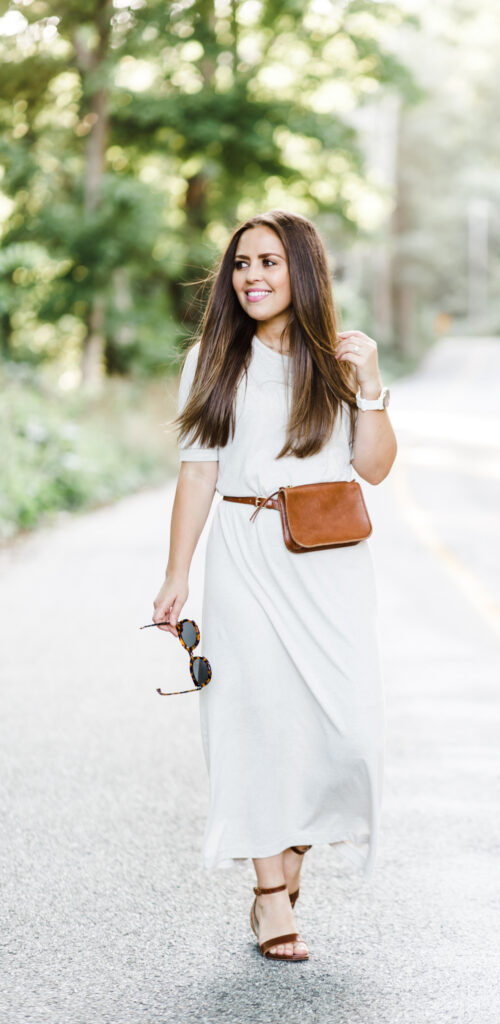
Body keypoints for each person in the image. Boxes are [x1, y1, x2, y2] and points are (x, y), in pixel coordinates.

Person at [150, 209, 397, 963]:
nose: (251, 276)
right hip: (246, 555)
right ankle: (268, 894)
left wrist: (372, 386)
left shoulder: (338, 358)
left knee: (343, 732)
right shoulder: (212, 358)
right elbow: (198, 473)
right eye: (240, 263)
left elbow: (376, 467)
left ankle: (291, 846)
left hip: (328, 560)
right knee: (254, 721)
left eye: (268, 262)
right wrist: (175, 575)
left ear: (302, 271)